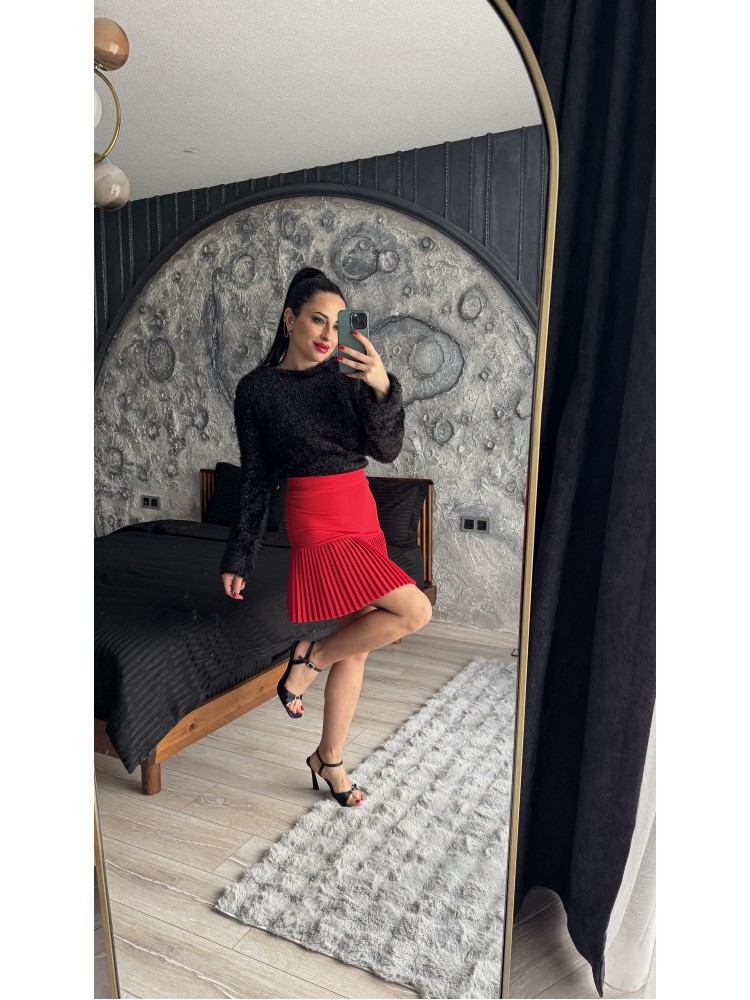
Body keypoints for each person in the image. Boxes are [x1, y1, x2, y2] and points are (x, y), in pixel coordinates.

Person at [220, 267, 433, 808]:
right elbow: (256, 478)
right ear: (289, 319)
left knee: (356, 649)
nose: (328, 335)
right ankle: (310, 658)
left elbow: (386, 450)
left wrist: (380, 386)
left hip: (360, 509)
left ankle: (329, 760)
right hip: (314, 516)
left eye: (338, 326)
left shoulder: (346, 376)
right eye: (318, 320)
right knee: (415, 611)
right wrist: (240, 556)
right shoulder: (256, 391)